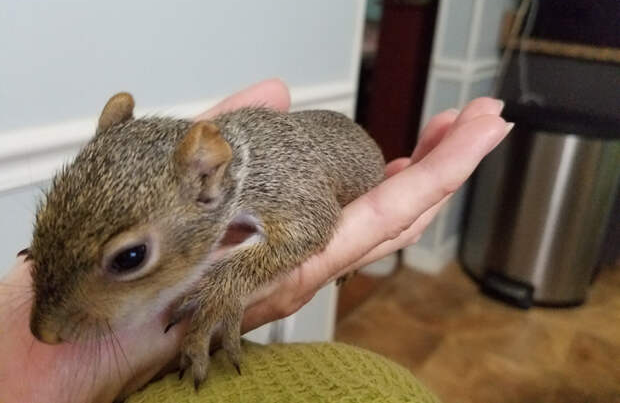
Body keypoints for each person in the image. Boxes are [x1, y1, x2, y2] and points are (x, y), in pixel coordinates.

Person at [0, 79, 511, 403]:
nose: (47, 332)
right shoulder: (198, 170)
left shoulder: (268, 177)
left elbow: (310, 225)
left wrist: (230, 280)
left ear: (205, 180)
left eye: (130, 258)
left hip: (348, 162)